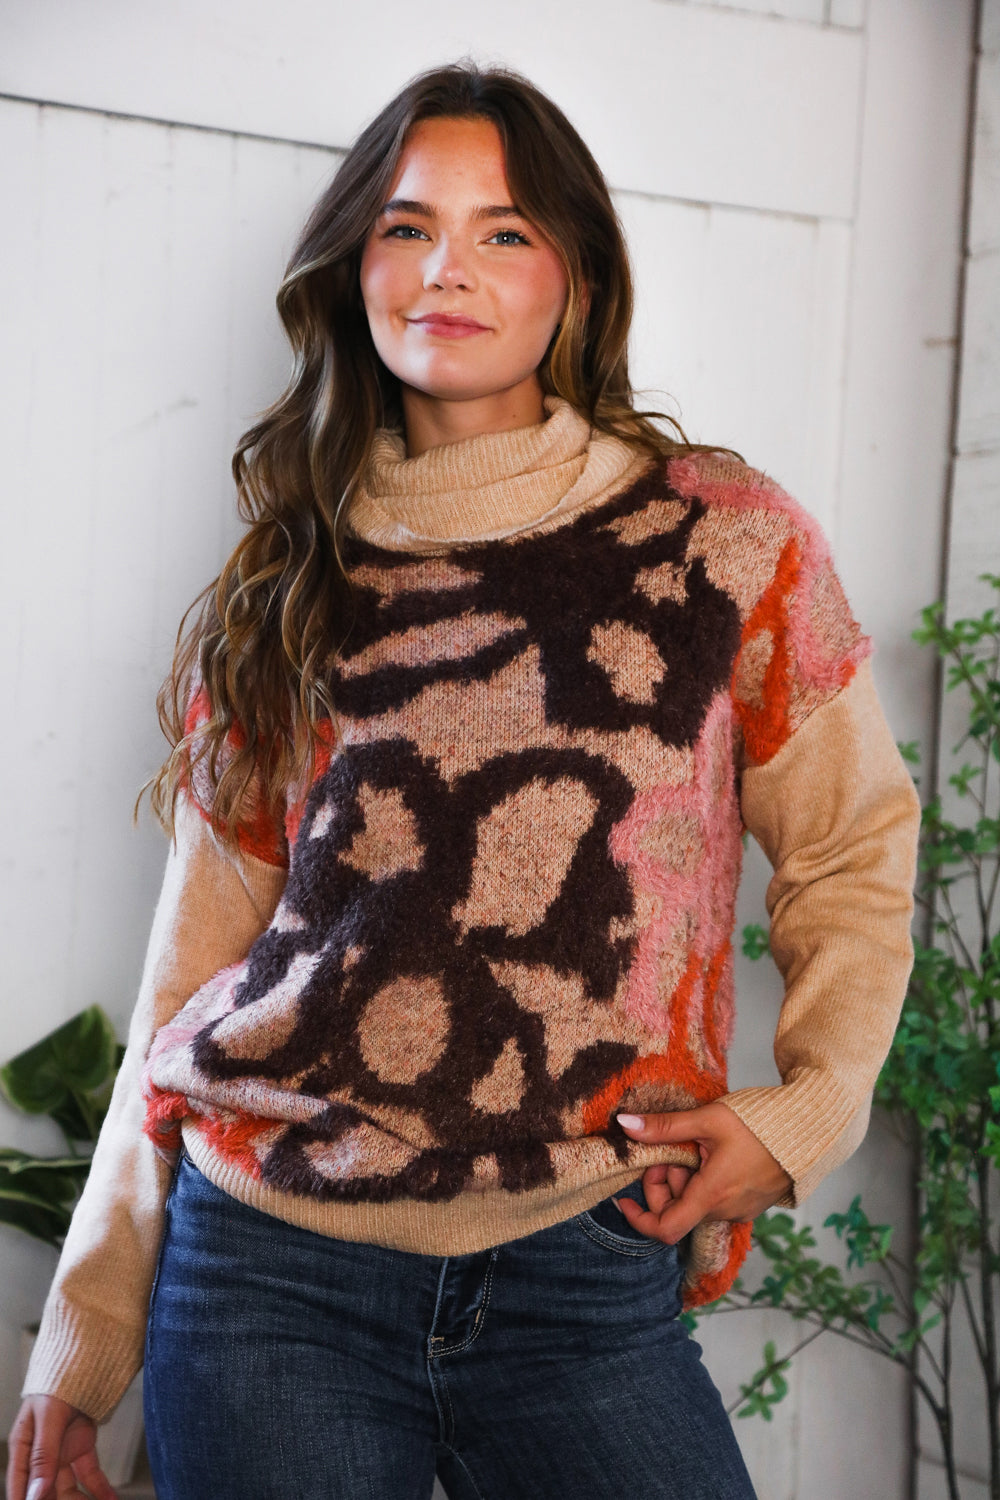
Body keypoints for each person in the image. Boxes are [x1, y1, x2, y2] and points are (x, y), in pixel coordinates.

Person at [6, 61, 920, 1500]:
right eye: (405, 227)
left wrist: (805, 1112)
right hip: (268, 1280)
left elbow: (855, 848)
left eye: (504, 232)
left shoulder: (725, 549)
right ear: (352, 266)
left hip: (583, 1271)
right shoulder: (290, 581)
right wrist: (84, 1337)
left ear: (579, 276)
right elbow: (191, 976)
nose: (447, 269)